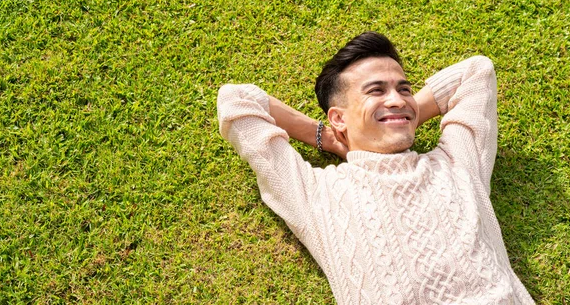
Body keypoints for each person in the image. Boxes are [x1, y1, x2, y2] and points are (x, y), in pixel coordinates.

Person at [217, 32, 534, 304]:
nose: (397, 98)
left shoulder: (458, 163)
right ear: (338, 117)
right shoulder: (316, 195)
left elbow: (476, 72)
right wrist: (328, 137)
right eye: (376, 91)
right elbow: (236, 99)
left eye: (404, 89)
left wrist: (396, 116)